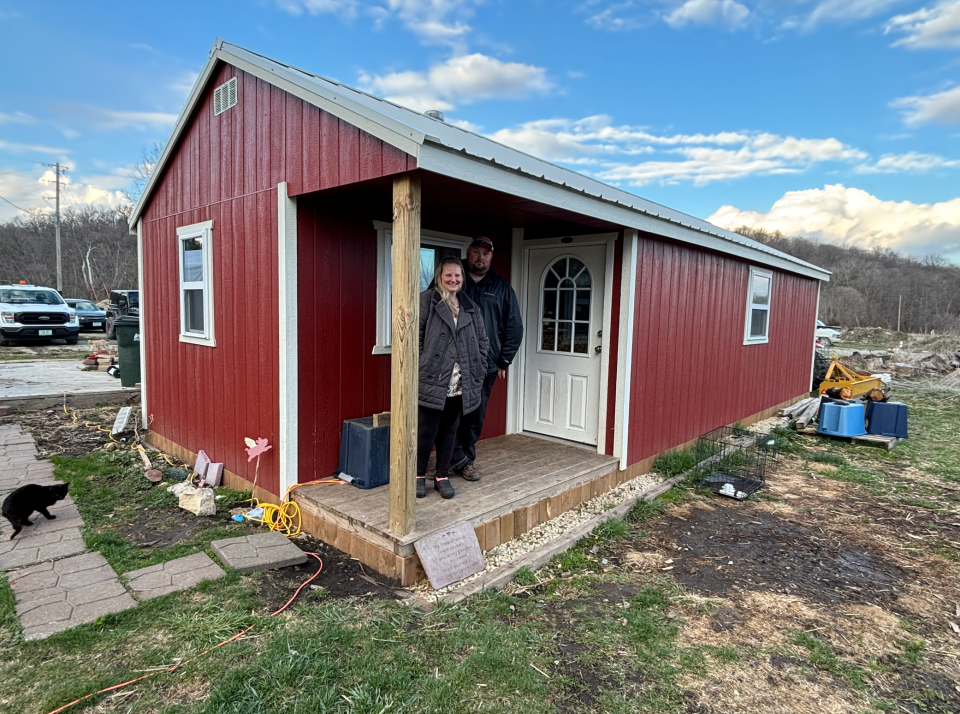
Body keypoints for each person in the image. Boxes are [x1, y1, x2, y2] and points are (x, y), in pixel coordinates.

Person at [450, 236, 523, 481]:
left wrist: (504, 360)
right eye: (476, 252)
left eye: (486, 253)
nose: (480, 257)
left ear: (491, 257)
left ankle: (465, 461)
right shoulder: (453, 280)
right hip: (451, 361)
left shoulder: (501, 287)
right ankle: (451, 458)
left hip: (485, 364)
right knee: (445, 413)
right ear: (468, 252)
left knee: (474, 415)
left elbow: (514, 327)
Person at [417, 257, 489, 500]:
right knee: (427, 429)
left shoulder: (470, 305)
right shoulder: (427, 300)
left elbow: (482, 340)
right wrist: (421, 365)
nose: (453, 279)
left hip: (461, 378)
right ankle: (418, 477)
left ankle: (441, 476)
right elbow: (415, 335)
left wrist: (479, 366)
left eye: (457, 275)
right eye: (448, 275)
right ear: (439, 276)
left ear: (462, 278)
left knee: (449, 429)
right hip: (433, 375)